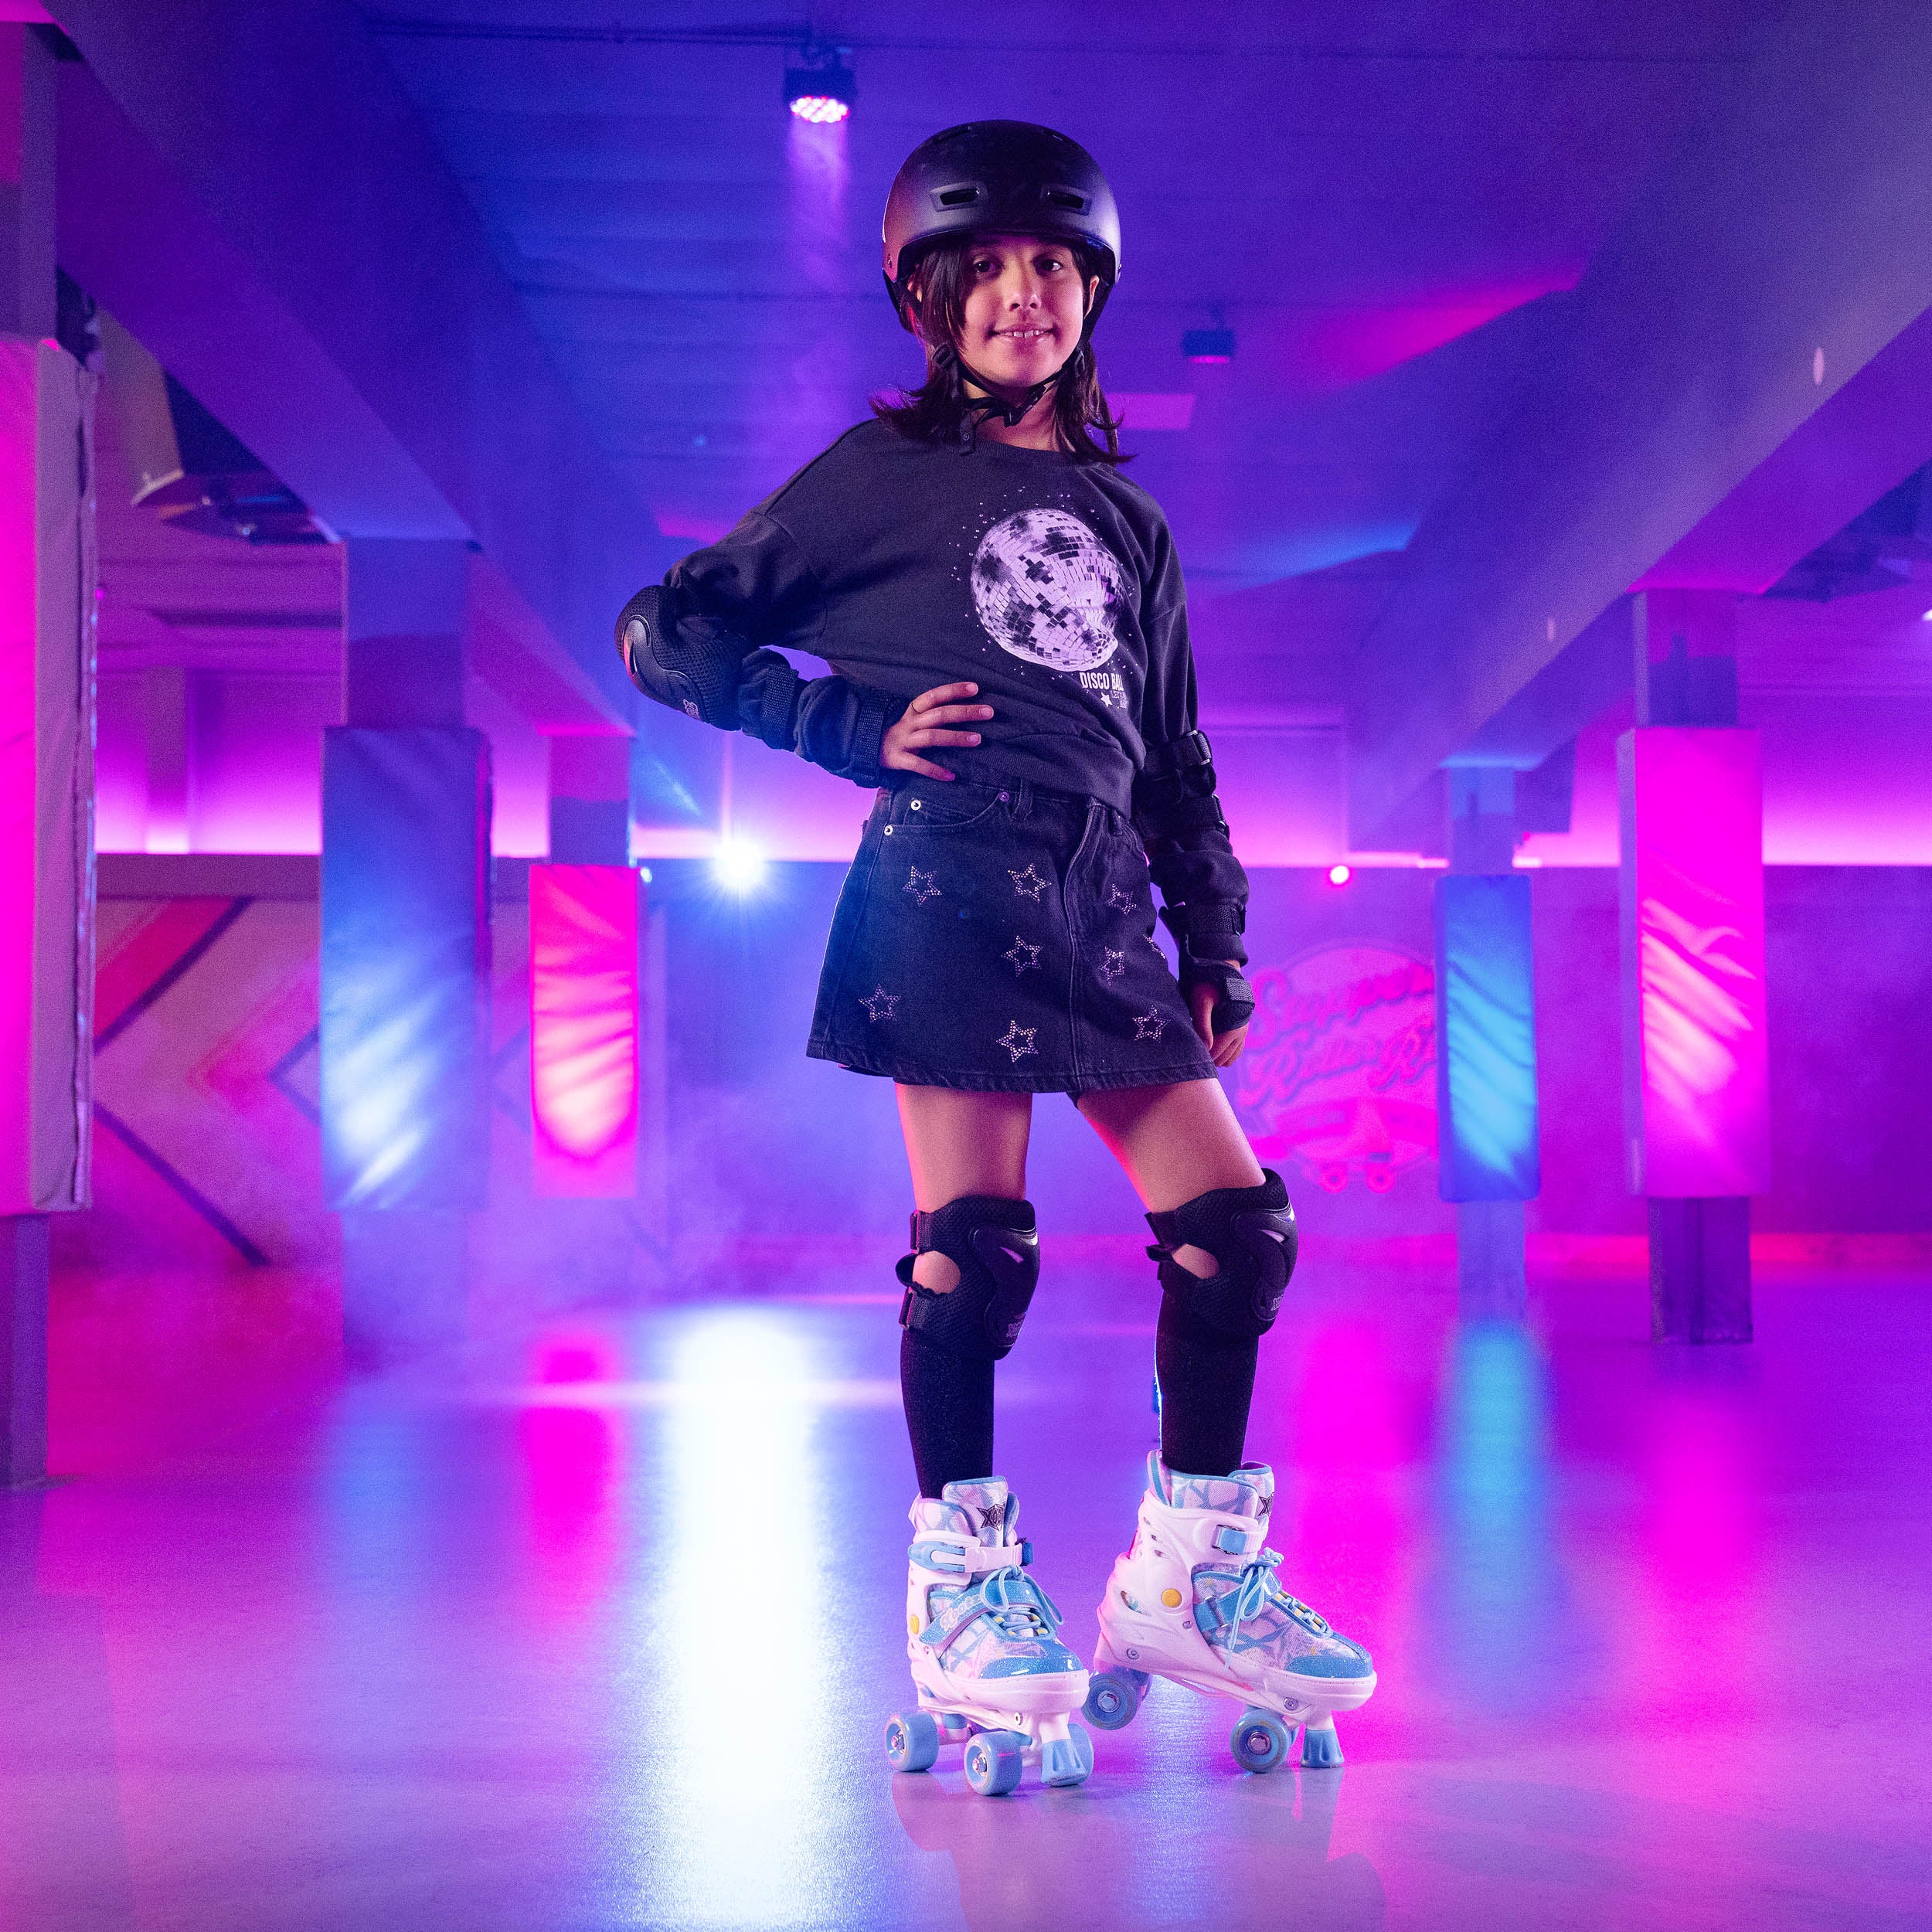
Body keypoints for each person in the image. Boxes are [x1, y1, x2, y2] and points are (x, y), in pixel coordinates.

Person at [615, 121, 1375, 1791]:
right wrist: (836, 726)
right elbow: (668, 630)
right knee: (974, 1253)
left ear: (1090, 293)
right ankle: (962, 1593)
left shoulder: (1130, 522)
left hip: (1102, 897)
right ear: (929, 297)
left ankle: (1185, 1581)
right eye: (989, 269)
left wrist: (1215, 937)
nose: (1023, 294)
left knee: (1236, 1236)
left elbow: (1174, 756)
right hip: (946, 879)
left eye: (1052, 266)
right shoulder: (874, 480)